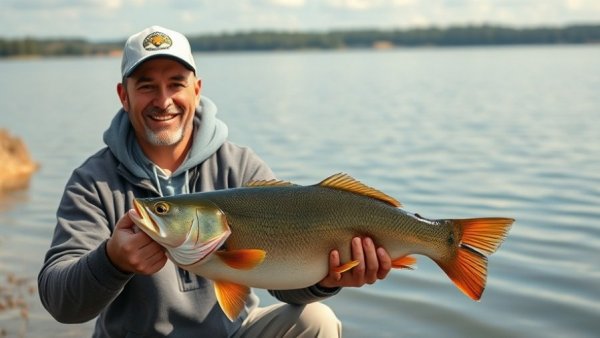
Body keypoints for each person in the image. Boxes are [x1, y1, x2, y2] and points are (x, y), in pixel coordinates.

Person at [38, 25, 393, 337]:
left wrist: (325, 279)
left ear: (196, 89)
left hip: (235, 332)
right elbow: (61, 303)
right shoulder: (92, 183)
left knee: (317, 320)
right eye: (147, 86)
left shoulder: (239, 165)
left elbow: (284, 287)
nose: (163, 101)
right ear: (123, 96)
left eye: (176, 84)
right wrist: (111, 261)